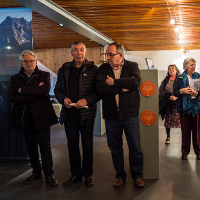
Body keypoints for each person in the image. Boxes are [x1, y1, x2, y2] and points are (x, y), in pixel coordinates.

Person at [96, 42, 144, 188]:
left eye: (111, 54)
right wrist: (120, 88)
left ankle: (137, 175)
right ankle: (120, 176)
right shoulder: (103, 69)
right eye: (107, 54)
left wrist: (113, 82)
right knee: (115, 147)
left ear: (120, 55)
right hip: (111, 116)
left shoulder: (132, 66)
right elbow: (101, 89)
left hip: (130, 114)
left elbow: (135, 82)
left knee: (135, 146)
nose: (108, 57)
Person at [8, 50, 58, 186]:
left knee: (45, 146)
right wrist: (35, 92)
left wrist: (22, 90)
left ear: (36, 62)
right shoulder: (15, 78)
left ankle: (49, 173)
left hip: (42, 117)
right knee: (31, 147)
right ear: (21, 63)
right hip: (25, 118)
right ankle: (36, 171)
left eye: (31, 61)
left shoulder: (44, 75)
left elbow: (44, 91)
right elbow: (13, 97)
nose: (29, 63)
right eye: (26, 61)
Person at [54, 41, 99, 187]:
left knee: (87, 145)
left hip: (87, 114)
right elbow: (58, 89)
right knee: (72, 145)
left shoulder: (93, 69)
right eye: (76, 50)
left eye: (81, 50)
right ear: (71, 52)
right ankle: (75, 174)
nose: (79, 53)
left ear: (85, 52)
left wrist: (86, 100)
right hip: (69, 114)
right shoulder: (64, 69)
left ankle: (88, 174)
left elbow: (98, 92)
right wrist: (63, 99)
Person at [173, 57, 200, 160]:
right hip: (184, 109)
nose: (193, 66)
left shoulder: (198, 76)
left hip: (196, 108)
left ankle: (198, 152)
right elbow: (175, 92)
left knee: (197, 132)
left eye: (194, 64)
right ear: (185, 66)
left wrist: (196, 93)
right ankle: (185, 152)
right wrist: (182, 91)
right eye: (191, 65)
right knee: (185, 131)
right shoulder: (180, 78)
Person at [159, 64, 181, 144]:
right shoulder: (165, 80)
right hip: (168, 104)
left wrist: (176, 97)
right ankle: (168, 136)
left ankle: (184, 137)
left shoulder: (180, 79)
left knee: (181, 121)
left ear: (176, 70)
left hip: (178, 104)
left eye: (173, 68)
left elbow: (183, 91)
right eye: (169, 69)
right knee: (168, 121)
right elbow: (160, 90)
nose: (171, 70)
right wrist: (167, 96)